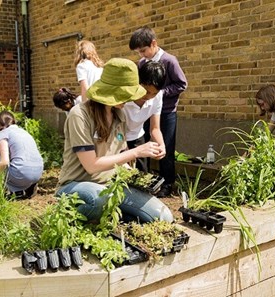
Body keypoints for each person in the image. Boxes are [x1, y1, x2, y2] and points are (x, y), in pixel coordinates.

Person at [56, 57, 173, 224]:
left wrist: (137, 177)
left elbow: (119, 156)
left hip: (110, 185)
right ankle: (72, 216)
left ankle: (109, 218)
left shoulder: (119, 115)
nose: (131, 99)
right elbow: (91, 165)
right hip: (78, 185)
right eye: (126, 95)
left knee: (162, 217)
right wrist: (137, 151)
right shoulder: (79, 115)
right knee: (99, 200)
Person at [129, 26, 188, 197]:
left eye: (143, 50)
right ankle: (145, 179)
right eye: (138, 52)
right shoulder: (141, 64)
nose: (141, 55)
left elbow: (181, 84)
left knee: (166, 148)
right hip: (145, 111)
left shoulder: (169, 60)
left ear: (153, 43)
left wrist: (159, 93)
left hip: (166, 111)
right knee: (144, 143)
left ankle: (168, 183)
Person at [0, 111, 44, 199]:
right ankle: (28, 186)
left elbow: (4, 162)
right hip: (38, 172)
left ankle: (12, 190)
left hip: (21, 174)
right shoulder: (23, 131)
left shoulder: (3, 133)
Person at [124, 61, 166, 173]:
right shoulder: (125, 97)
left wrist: (161, 145)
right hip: (117, 138)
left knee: (142, 175)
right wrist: (125, 151)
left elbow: (155, 128)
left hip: (138, 138)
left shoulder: (157, 97)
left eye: (154, 93)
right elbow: (115, 130)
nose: (149, 96)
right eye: (146, 91)